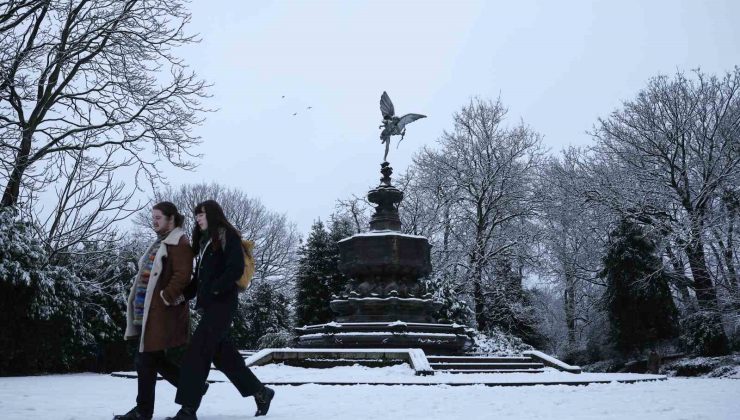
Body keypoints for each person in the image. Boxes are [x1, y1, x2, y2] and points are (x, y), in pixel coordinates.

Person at [167, 200, 274, 420]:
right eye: (196, 215)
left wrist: (215, 289)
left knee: (197, 353)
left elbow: (234, 269)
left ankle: (188, 409)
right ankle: (261, 392)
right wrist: (183, 295)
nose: (198, 218)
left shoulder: (228, 236)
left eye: (202, 214)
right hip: (211, 307)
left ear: (213, 215)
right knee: (224, 357)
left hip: (223, 305)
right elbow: (199, 281)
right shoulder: (207, 244)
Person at [114, 202, 195, 420]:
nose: (154, 221)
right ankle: (190, 387)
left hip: (161, 315)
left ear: (171, 219)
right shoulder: (160, 241)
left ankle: (143, 411)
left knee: (146, 360)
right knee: (150, 361)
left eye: (158, 217)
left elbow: (183, 275)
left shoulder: (179, 242)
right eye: (154, 217)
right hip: (147, 314)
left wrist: (165, 298)